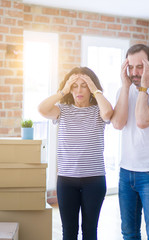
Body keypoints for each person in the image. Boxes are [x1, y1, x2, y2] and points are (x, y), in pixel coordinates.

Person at [38, 66, 113, 240]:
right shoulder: (62, 110)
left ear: (91, 88)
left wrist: (95, 90)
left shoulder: (99, 111)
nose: (79, 90)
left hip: (94, 180)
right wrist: (63, 91)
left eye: (84, 85)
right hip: (66, 180)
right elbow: (41, 109)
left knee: (89, 231)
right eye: (74, 86)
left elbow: (108, 113)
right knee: (69, 232)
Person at [111, 44, 149, 240]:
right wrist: (125, 86)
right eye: (130, 67)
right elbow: (118, 124)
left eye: (140, 67)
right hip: (126, 173)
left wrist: (143, 87)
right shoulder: (124, 91)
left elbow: (142, 120)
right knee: (129, 233)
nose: (134, 73)